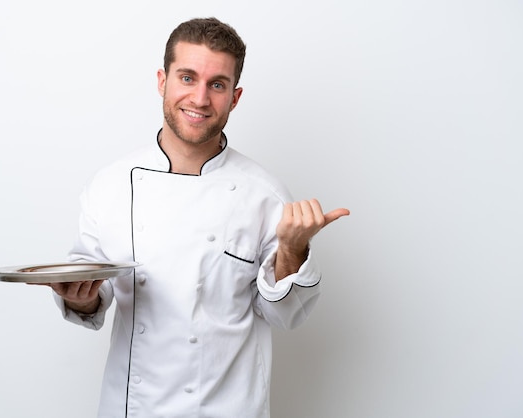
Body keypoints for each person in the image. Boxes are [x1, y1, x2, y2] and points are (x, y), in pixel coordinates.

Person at [46, 17, 349, 418]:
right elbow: (91, 292)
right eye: (187, 77)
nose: (200, 98)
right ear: (162, 81)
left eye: (217, 84)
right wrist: (80, 300)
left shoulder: (265, 194)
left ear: (235, 97)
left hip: (227, 408)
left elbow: (286, 314)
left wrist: (293, 249)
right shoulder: (109, 186)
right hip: (130, 407)